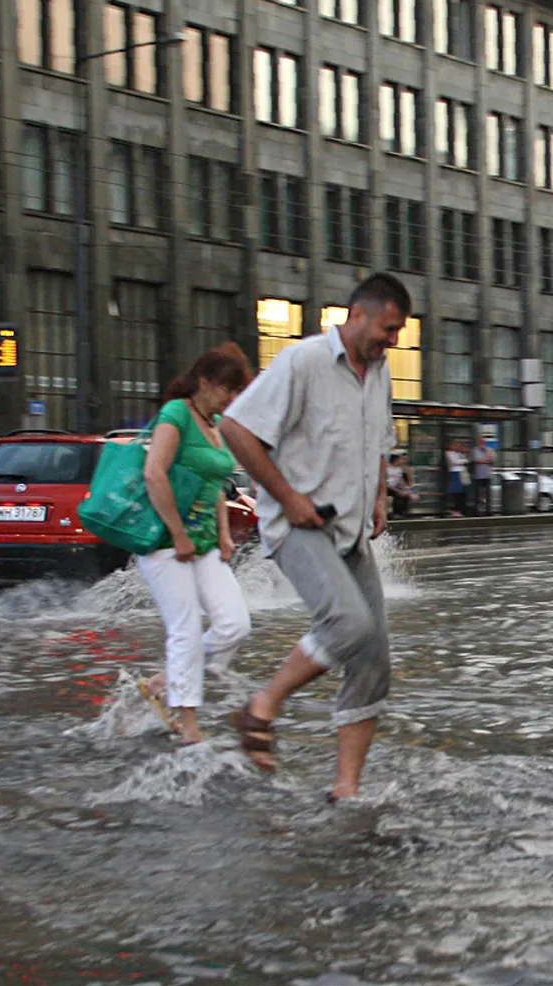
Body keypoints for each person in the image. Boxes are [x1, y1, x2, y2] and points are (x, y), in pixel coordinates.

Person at [221, 273, 409, 801]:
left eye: (397, 332)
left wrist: (378, 496)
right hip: (298, 526)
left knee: (373, 661)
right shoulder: (302, 362)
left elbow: (378, 437)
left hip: (349, 531)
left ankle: (344, 789)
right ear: (358, 315)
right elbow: (237, 428)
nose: (393, 341)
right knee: (348, 623)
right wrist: (286, 496)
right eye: (389, 329)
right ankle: (263, 704)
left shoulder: (379, 372)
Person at [138, 343, 254, 744]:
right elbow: (155, 475)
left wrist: (223, 534)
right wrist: (178, 534)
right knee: (185, 629)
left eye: (237, 391)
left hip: (204, 541)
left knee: (235, 623)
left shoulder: (215, 422)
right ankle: (188, 723)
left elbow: (214, 484)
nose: (232, 398)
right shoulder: (175, 415)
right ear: (203, 382)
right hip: (164, 541)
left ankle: (164, 681)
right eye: (227, 389)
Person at [386, 452, 417, 517]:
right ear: (396, 460)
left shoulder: (400, 469)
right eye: (402, 459)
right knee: (399, 494)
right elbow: (386, 484)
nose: (403, 461)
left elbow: (402, 481)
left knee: (405, 493)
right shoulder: (387, 468)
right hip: (388, 488)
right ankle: (396, 513)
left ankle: (402, 513)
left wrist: (409, 490)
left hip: (396, 487)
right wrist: (399, 490)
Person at [471, 437, 496, 515]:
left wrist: (485, 456)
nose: (482, 443)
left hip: (487, 474)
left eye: (483, 442)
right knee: (477, 493)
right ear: (478, 442)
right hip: (478, 475)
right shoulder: (474, 450)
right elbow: (476, 460)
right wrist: (485, 461)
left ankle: (488, 510)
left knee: (488, 493)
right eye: (480, 442)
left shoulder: (489, 450)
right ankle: (477, 510)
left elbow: (492, 459)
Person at [444, 439, 469, 517]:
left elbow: (464, 460)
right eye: (456, 445)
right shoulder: (448, 453)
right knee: (456, 492)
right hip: (455, 473)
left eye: (459, 445)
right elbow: (455, 462)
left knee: (462, 492)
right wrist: (464, 461)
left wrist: (463, 454)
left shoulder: (459, 454)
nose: (457, 447)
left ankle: (461, 510)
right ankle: (455, 510)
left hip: (462, 473)